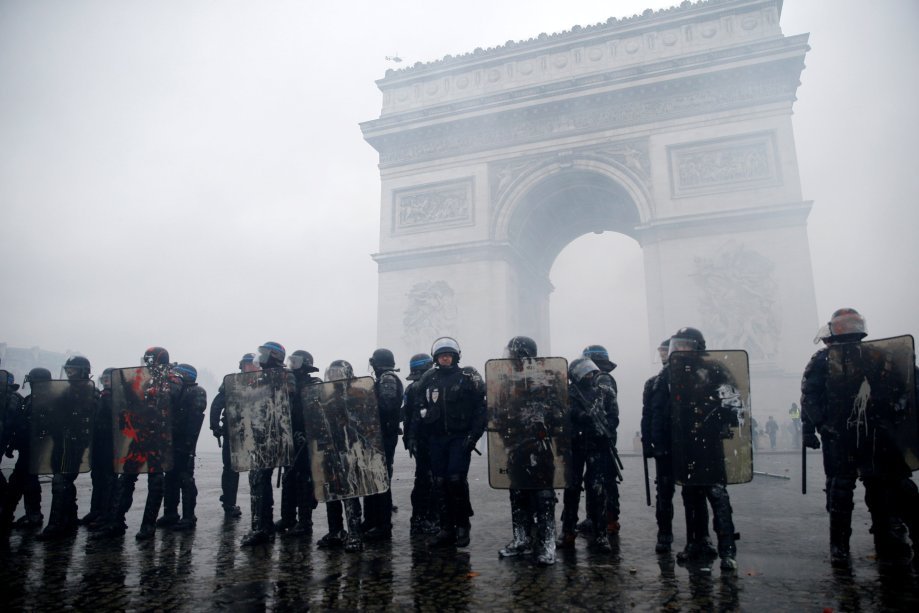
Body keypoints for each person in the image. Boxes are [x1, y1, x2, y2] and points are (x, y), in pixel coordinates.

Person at [802, 308, 919, 566]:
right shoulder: (879, 355)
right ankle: (877, 543)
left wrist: (818, 427)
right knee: (874, 488)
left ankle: (850, 547)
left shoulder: (828, 358)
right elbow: (811, 399)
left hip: (863, 436)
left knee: (861, 490)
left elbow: (810, 398)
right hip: (864, 435)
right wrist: (817, 426)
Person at [662, 327, 739, 571]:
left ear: (697, 347)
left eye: (685, 345)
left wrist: (717, 417)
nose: (679, 349)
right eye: (677, 345)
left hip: (709, 443)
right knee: (690, 496)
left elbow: (733, 403)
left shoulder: (715, 369)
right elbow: (661, 408)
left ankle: (727, 548)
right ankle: (697, 543)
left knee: (717, 494)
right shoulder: (669, 374)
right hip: (684, 444)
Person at [414, 337, 486, 548]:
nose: (445, 358)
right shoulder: (429, 378)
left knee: (455, 479)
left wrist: (474, 436)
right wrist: (414, 436)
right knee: (439, 482)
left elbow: (481, 409)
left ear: (455, 356)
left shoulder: (467, 377)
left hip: (459, 437)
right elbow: (419, 408)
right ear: (436, 358)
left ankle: (462, 524)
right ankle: (446, 528)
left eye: (449, 354)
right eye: (442, 355)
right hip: (436, 438)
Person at [496, 336, 562, 565]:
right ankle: (521, 538)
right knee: (518, 493)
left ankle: (546, 544)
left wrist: (542, 425)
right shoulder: (506, 381)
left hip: (539, 445)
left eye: (513, 354)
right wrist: (504, 430)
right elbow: (497, 410)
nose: (510, 359)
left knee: (543, 495)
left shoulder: (547, 379)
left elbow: (559, 413)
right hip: (515, 446)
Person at [558, 357, 619, 553]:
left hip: (597, 446)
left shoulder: (603, 392)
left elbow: (613, 417)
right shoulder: (569, 394)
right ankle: (567, 531)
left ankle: (600, 534)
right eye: (584, 371)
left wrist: (604, 429)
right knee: (572, 488)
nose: (589, 374)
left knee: (597, 489)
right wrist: (580, 420)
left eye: (590, 371)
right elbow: (563, 416)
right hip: (575, 446)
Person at [36, 356, 98, 540]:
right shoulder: (68, 391)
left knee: (60, 480)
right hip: (60, 441)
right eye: (68, 369)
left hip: (74, 443)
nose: (69, 373)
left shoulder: (89, 391)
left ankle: (55, 525)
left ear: (82, 371)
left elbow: (88, 419)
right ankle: (69, 519)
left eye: (72, 369)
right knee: (64, 480)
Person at [241, 341, 295, 547]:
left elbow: (286, 402)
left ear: (273, 356)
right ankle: (261, 526)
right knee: (257, 481)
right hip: (260, 436)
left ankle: (264, 529)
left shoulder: (285, 375)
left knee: (261, 480)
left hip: (275, 437)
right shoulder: (260, 376)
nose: (259, 357)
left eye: (263, 353)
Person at [315, 359, 366, 553]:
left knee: (350, 492)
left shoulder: (357, 394)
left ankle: (354, 533)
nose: (335, 377)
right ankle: (335, 530)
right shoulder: (325, 396)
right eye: (333, 373)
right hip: (329, 449)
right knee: (331, 490)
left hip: (349, 448)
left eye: (339, 373)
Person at [276, 350, 321, 537]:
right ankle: (288, 517)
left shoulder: (314, 384)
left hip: (306, 439)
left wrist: (307, 433)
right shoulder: (287, 382)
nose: (292, 365)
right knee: (288, 479)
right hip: (289, 436)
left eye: (296, 361)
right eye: (291, 361)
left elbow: (317, 412)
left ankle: (305, 522)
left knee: (304, 480)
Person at [157, 364, 207, 531]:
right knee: (170, 478)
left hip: (185, 443)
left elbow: (195, 419)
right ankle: (170, 513)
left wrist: (188, 443)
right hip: (171, 441)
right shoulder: (177, 391)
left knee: (185, 479)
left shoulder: (196, 391)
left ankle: (188, 517)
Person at [641, 337, 680, 553]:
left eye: (665, 350)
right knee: (664, 492)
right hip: (663, 445)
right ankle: (664, 533)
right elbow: (647, 416)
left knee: (694, 494)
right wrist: (648, 443)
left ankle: (700, 538)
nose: (662, 354)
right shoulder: (654, 382)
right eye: (661, 351)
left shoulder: (688, 378)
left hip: (684, 444)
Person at [209, 352, 258, 520]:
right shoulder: (233, 383)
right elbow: (217, 403)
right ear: (242, 366)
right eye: (247, 364)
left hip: (258, 433)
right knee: (230, 469)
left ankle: (260, 506)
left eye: (253, 364)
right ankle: (229, 504)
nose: (251, 367)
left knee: (259, 471)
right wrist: (215, 425)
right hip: (234, 432)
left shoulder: (264, 382)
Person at [578, 345, 621, 536]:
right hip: (598, 436)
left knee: (604, 480)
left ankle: (609, 519)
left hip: (602, 437)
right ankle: (595, 518)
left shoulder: (602, 379)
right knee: (595, 479)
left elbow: (605, 410)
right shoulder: (600, 378)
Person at [363, 348, 403, 541]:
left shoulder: (387, 379)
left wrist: (366, 405)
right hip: (378, 435)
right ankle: (371, 520)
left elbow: (387, 405)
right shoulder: (384, 379)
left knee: (380, 478)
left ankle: (382, 524)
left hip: (383, 436)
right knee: (373, 477)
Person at [1, 368, 46, 534]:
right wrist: (13, 445)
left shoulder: (45, 400)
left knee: (25, 481)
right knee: (25, 481)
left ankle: (32, 515)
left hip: (34, 448)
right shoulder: (29, 399)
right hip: (27, 446)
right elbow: (21, 424)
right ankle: (29, 514)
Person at [402, 353, 437, 535]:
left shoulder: (410, 388)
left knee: (423, 480)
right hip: (427, 440)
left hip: (418, 440)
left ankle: (419, 519)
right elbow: (416, 416)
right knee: (428, 481)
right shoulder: (422, 387)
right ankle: (424, 519)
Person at [80, 367, 116, 528]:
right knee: (97, 477)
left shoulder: (119, 398)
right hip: (98, 443)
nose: (106, 380)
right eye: (105, 378)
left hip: (111, 444)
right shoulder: (102, 397)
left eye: (110, 378)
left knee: (109, 480)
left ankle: (107, 513)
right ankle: (96, 510)